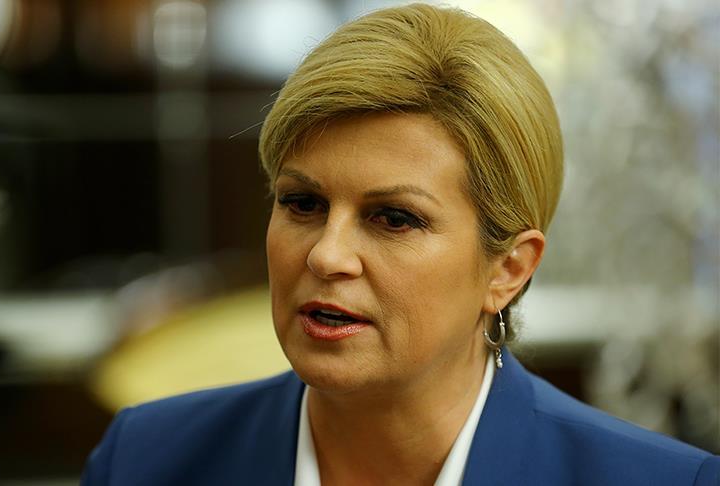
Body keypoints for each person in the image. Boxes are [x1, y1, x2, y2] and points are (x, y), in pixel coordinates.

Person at [83, 4, 719, 485]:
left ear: (508, 269)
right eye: (302, 203)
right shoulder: (144, 460)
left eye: (393, 218)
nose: (326, 255)